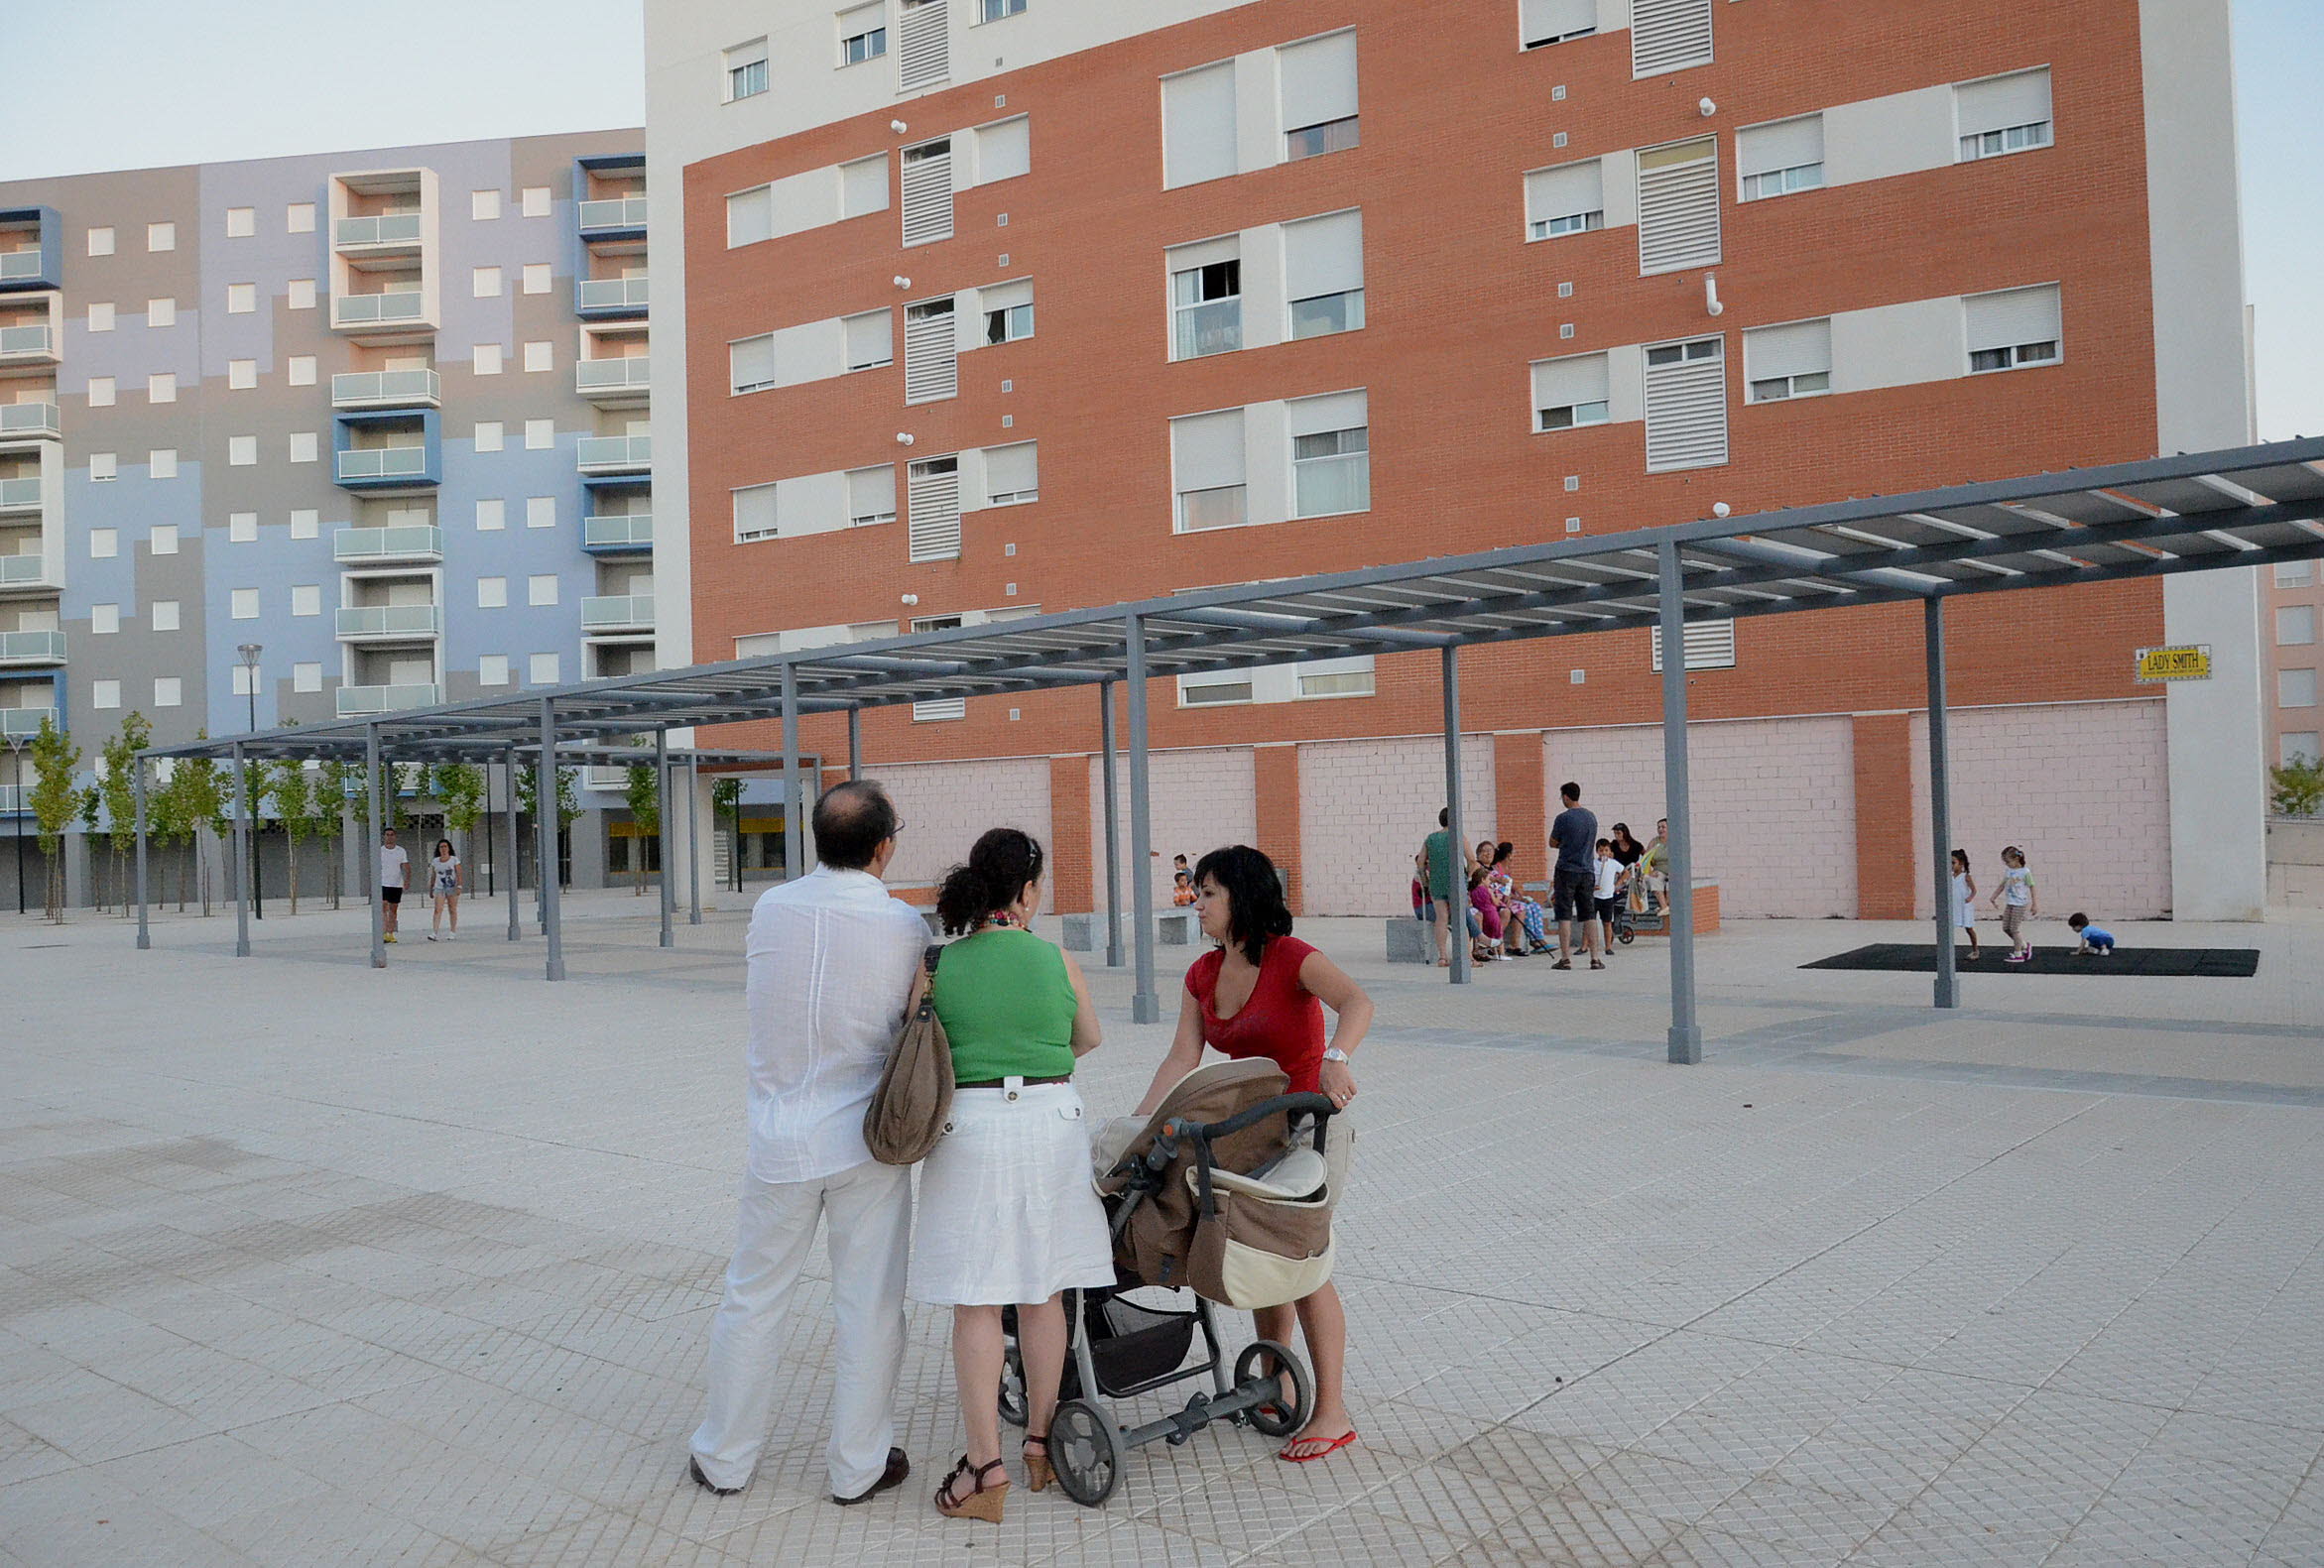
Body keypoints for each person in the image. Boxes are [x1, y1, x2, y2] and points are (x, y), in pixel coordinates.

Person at [687, 782, 923, 1508]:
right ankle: (857, 1467)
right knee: (870, 1307)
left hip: (779, 1140)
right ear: (884, 846)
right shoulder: (905, 925)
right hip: (865, 1143)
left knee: (752, 1298)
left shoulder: (770, 907)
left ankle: (724, 1458)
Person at [1135, 845, 1374, 1464]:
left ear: (1241, 896)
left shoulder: (1292, 957)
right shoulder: (1201, 973)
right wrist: (1141, 1124)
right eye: (1196, 892)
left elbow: (1358, 1002)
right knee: (1262, 1250)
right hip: (1252, 1131)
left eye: (1208, 893)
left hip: (1311, 1127)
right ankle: (1277, 1382)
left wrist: (1337, 1057)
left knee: (1301, 1256)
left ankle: (1333, 1411)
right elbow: (1182, 1057)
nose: (1196, 903)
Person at [913, 828, 1110, 1524]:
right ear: (1026, 890)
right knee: (1042, 1290)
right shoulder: (1056, 958)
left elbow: (913, 1038)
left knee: (975, 1299)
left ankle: (984, 1468)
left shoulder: (938, 962)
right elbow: (1087, 1038)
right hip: (1052, 1121)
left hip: (969, 1127)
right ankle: (1040, 1444)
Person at [1548, 783, 1601, 970]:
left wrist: (1564, 843)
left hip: (1566, 870)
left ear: (1566, 797)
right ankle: (1595, 958)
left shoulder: (1563, 818)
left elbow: (1552, 842)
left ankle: (1565, 958)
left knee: (1564, 915)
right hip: (1587, 870)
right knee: (1589, 915)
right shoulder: (1591, 817)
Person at [1419, 807, 1459, 969]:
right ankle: (1466, 955)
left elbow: (1420, 862)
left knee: (1441, 918)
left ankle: (1442, 956)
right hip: (1456, 882)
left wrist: (1425, 881)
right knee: (1460, 918)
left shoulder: (1431, 839)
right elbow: (1471, 859)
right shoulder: (1457, 836)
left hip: (1436, 882)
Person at [1989, 844, 2038, 963]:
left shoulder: (2025, 872)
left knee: (2014, 929)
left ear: (2016, 859)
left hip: (2020, 904)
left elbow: (2032, 887)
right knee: (2006, 928)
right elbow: (2002, 885)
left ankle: (2018, 954)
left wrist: (2034, 904)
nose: (2006, 864)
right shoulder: (2009, 871)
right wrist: (1994, 896)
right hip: (2010, 903)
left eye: (2008, 861)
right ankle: (2025, 946)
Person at [425, 838, 462, 942]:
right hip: (439, 887)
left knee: (452, 908)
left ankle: (452, 931)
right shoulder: (435, 861)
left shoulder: (454, 860)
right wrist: (431, 888)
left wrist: (459, 886)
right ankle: (434, 932)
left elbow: (459, 873)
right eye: (441, 847)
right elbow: (433, 875)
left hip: (451, 886)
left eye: (445, 846)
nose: (443, 849)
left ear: (449, 848)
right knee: (438, 909)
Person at [377, 827, 410, 944]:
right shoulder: (379, 851)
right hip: (383, 882)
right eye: (387, 835)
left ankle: (390, 933)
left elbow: (406, 866)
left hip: (396, 884)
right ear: (384, 837)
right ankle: (384, 932)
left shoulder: (401, 851)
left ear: (395, 836)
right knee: (383, 906)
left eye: (391, 835)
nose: (389, 837)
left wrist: (407, 880)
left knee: (393, 909)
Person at [1592, 838, 1624, 954]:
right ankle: (1585, 946)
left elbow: (1625, 872)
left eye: (1606, 850)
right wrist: (1592, 886)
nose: (1604, 853)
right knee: (1590, 922)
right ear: (1597, 851)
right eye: (1601, 850)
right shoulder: (1593, 864)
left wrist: (1618, 883)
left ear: (1609, 851)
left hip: (1607, 897)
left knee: (1607, 922)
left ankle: (1608, 947)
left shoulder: (1613, 863)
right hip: (1594, 896)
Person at [1951, 849, 1980, 961]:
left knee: (1968, 928)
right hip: (1954, 905)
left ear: (1961, 863)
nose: (1951, 865)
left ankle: (1975, 950)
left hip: (1964, 905)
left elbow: (1974, 890)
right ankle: (1948, 950)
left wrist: (1970, 898)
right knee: (1949, 927)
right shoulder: (1950, 876)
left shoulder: (1965, 876)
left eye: (1953, 863)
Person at [1609, 823, 1646, 911]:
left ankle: (1617, 887)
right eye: (1615, 833)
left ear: (1625, 833)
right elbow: (1610, 859)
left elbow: (1646, 856)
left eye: (1618, 833)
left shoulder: (1636, 845)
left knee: (1631, 868)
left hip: (1632, 871)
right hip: (1619, 871)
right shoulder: (1613, 845)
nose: (1616, 836)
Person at [1641, 818, 1669, 912]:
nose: (1660, 829)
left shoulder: (1675, 841)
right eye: (1659, 827)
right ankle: (1664, 907)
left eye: (1663, 827)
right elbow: (1646, 859)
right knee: (1653, 880)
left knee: (1672, 883)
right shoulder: (1654, 842)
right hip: (1659, 870)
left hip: (1673, 870)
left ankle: (1667, 906)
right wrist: (1650, 872)